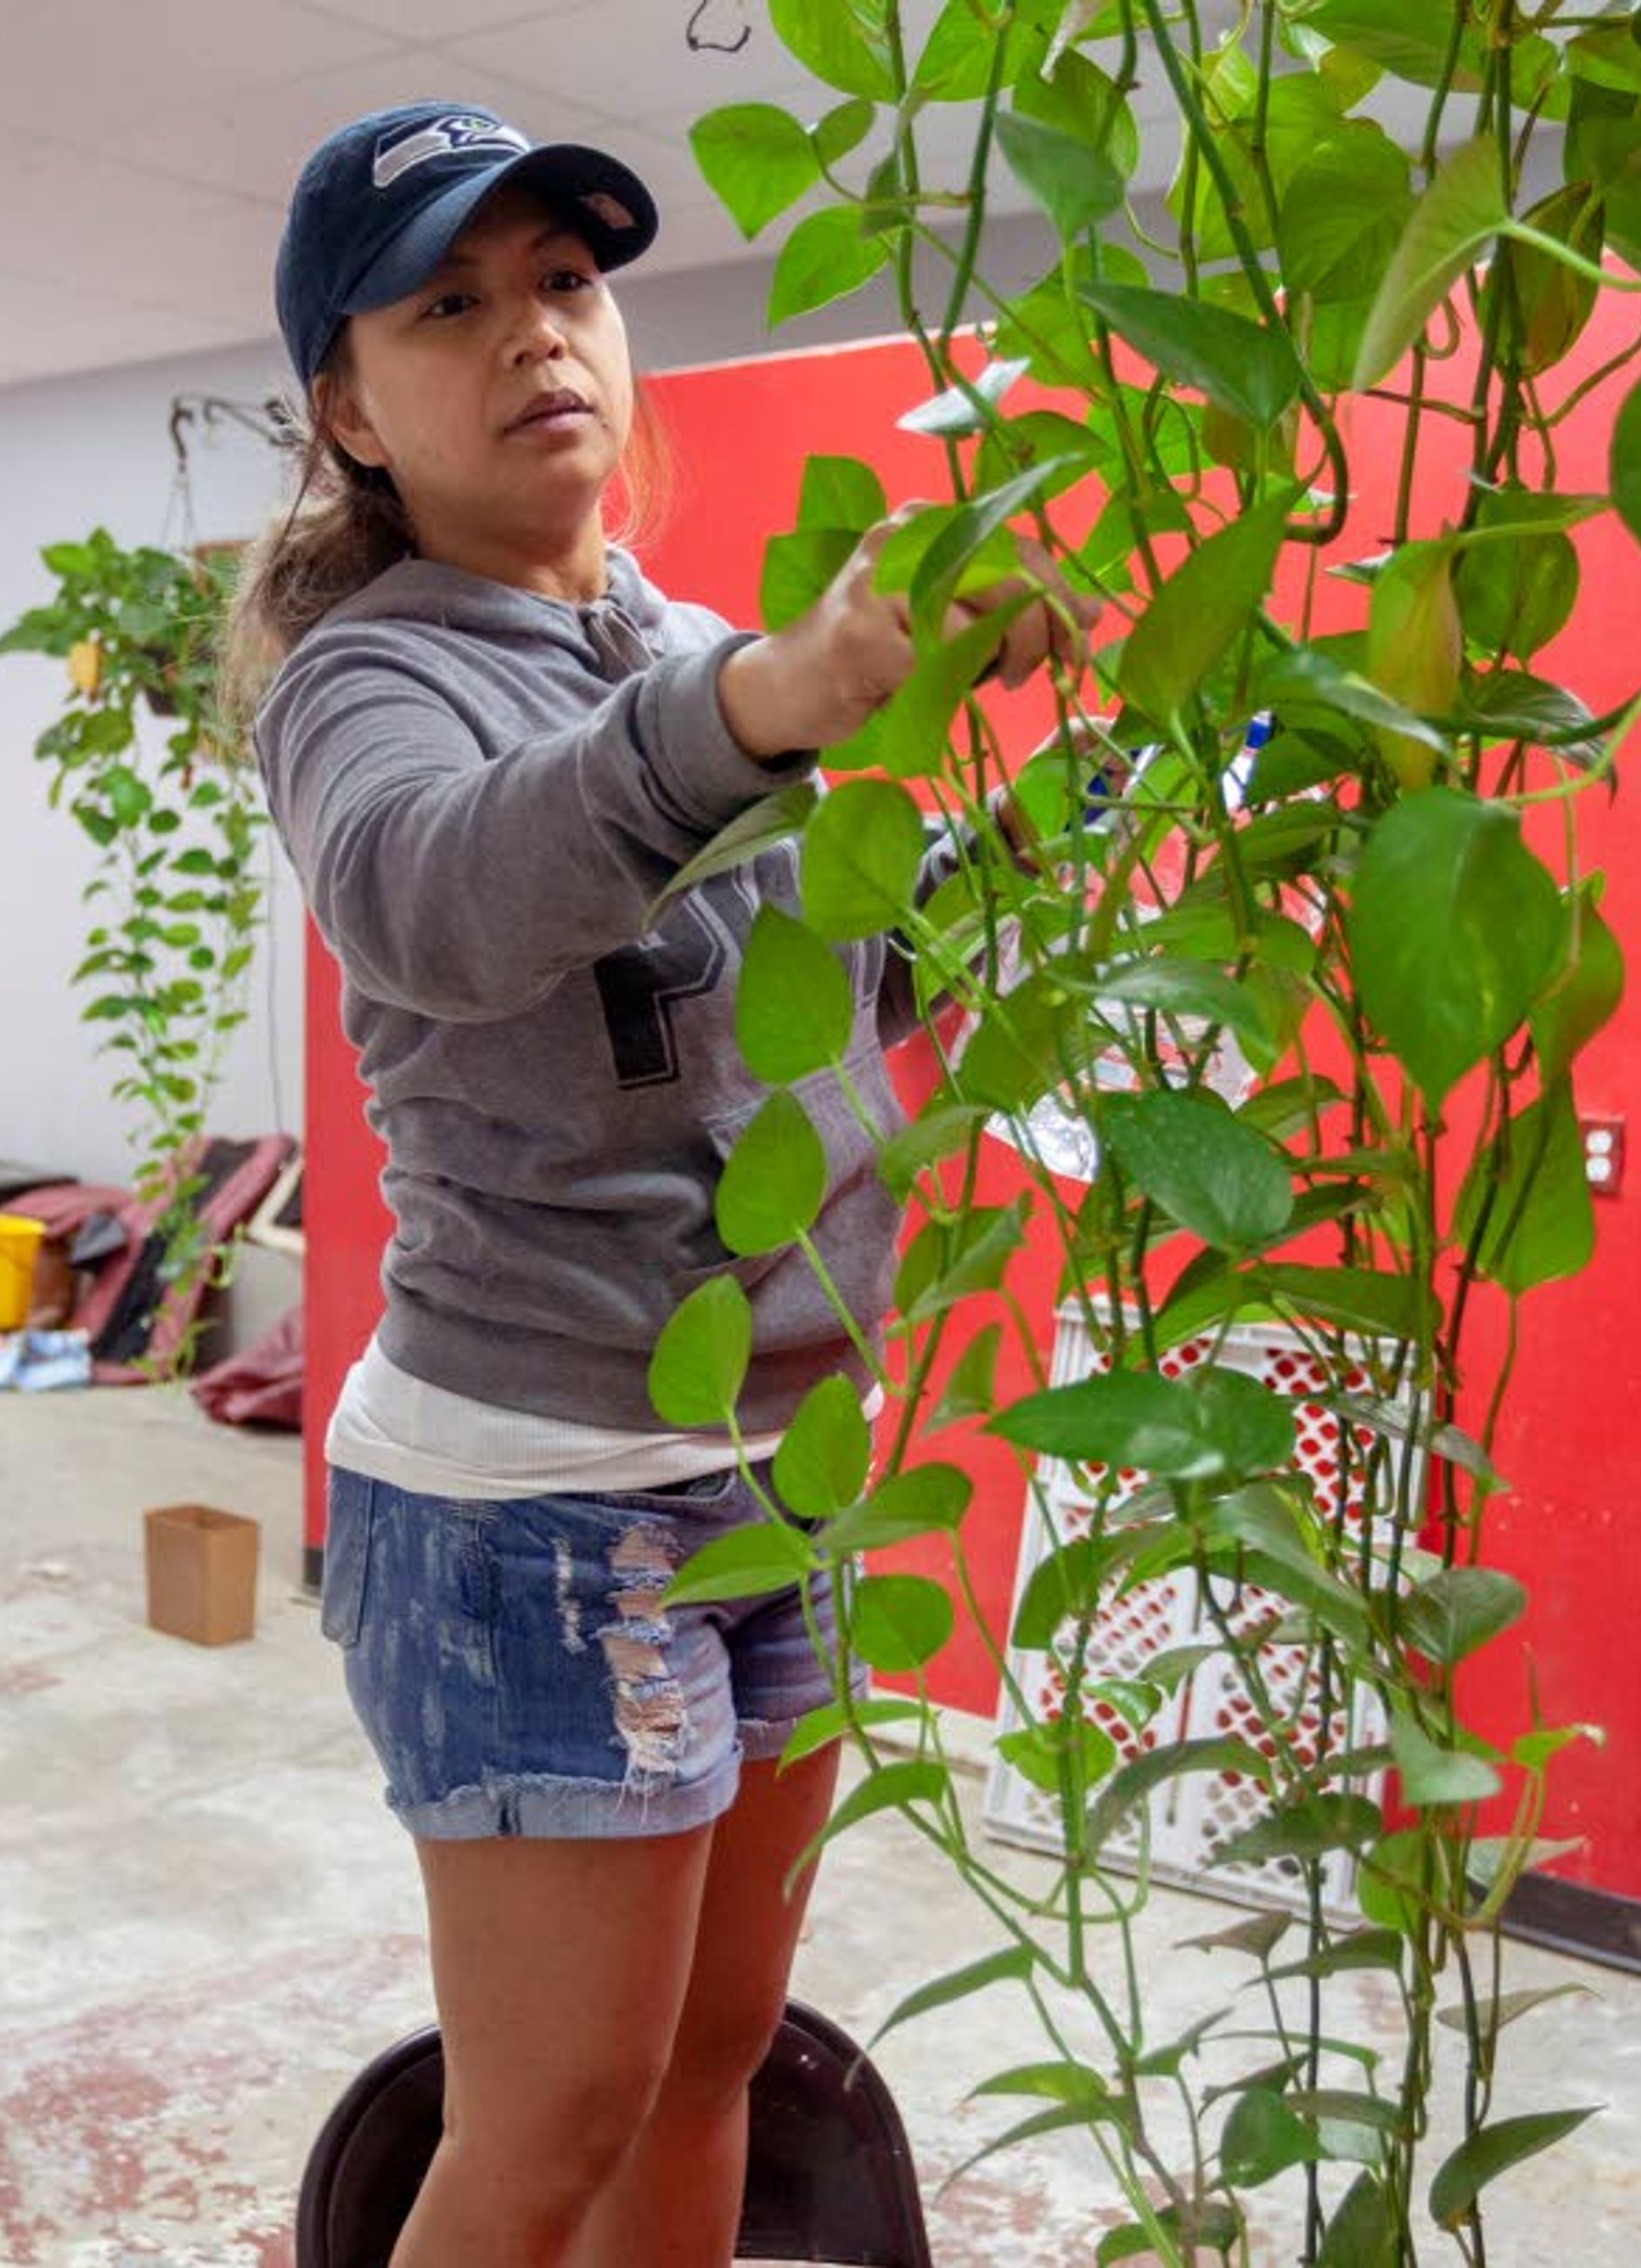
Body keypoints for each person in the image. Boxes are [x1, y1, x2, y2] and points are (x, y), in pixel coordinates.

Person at [227, 99, 1089, 2268]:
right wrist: (775, 697)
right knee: (549, 2121)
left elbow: (850, 974)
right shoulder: (367, 684)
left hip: (784, 1462)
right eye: (451, 304)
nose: (534, 336)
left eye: (567, 284)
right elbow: (450, 891)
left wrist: (1025, 778)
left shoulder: (689, 649)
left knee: (716, 2061)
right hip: (540, 1496)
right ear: (347, 404)